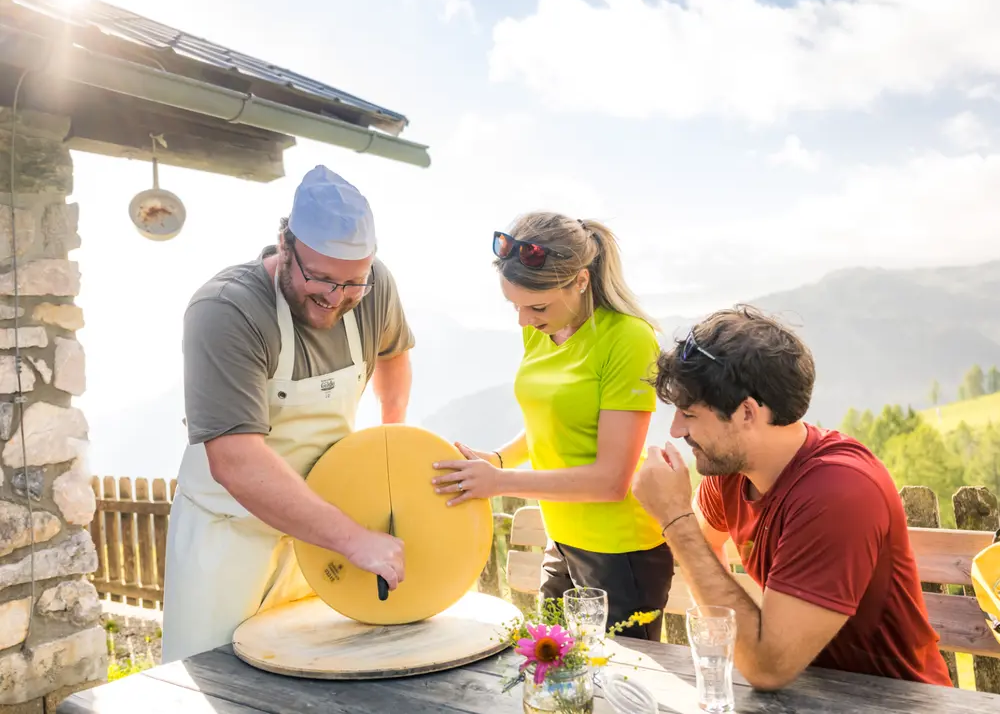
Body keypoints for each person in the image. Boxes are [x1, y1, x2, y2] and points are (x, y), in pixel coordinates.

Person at [161, 165, 415, 663]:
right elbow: (235, 460)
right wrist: (354, 540)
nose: (335, 298)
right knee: (219, 683)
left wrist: (390, 451)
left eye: (352, 284)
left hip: (320, 535)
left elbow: (393, 355)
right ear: (285, 243)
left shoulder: (375, 286)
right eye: (319, 277)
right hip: (228, 537)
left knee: (310, 679)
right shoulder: (227, 310)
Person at [630, 305, 953, 689]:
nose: (677, 428)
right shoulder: (730, 472)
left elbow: (768, 669)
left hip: (895, 699)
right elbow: (706, 546)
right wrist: (738, 639)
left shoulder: (840, 493)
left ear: (747, 413)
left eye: (689, 413)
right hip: (806, 692)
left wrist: (674, 519)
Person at [431, 212, 675, 641]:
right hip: (560, 539)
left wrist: (499, 481)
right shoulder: (542, 329)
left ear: (581, 281)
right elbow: (555, 423)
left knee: (613, 692)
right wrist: (499, 459)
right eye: (515, 306)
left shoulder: (629, 340)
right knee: (557, 681)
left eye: (536, 306)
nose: (524, 321)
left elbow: (610, 482)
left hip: (620, 553)